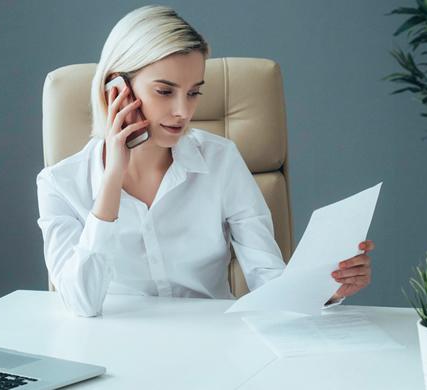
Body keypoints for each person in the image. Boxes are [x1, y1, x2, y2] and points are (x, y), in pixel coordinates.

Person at [36, 5, 374, 317]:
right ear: (116, 91)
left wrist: (326, 289)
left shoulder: (220, 159)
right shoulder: (60, 184)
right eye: (165, 92)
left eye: (194, 92)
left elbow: (267, 275)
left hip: (214, 349)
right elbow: (82, 303)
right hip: (115, 354)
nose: (184, 111)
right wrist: (112, 180)